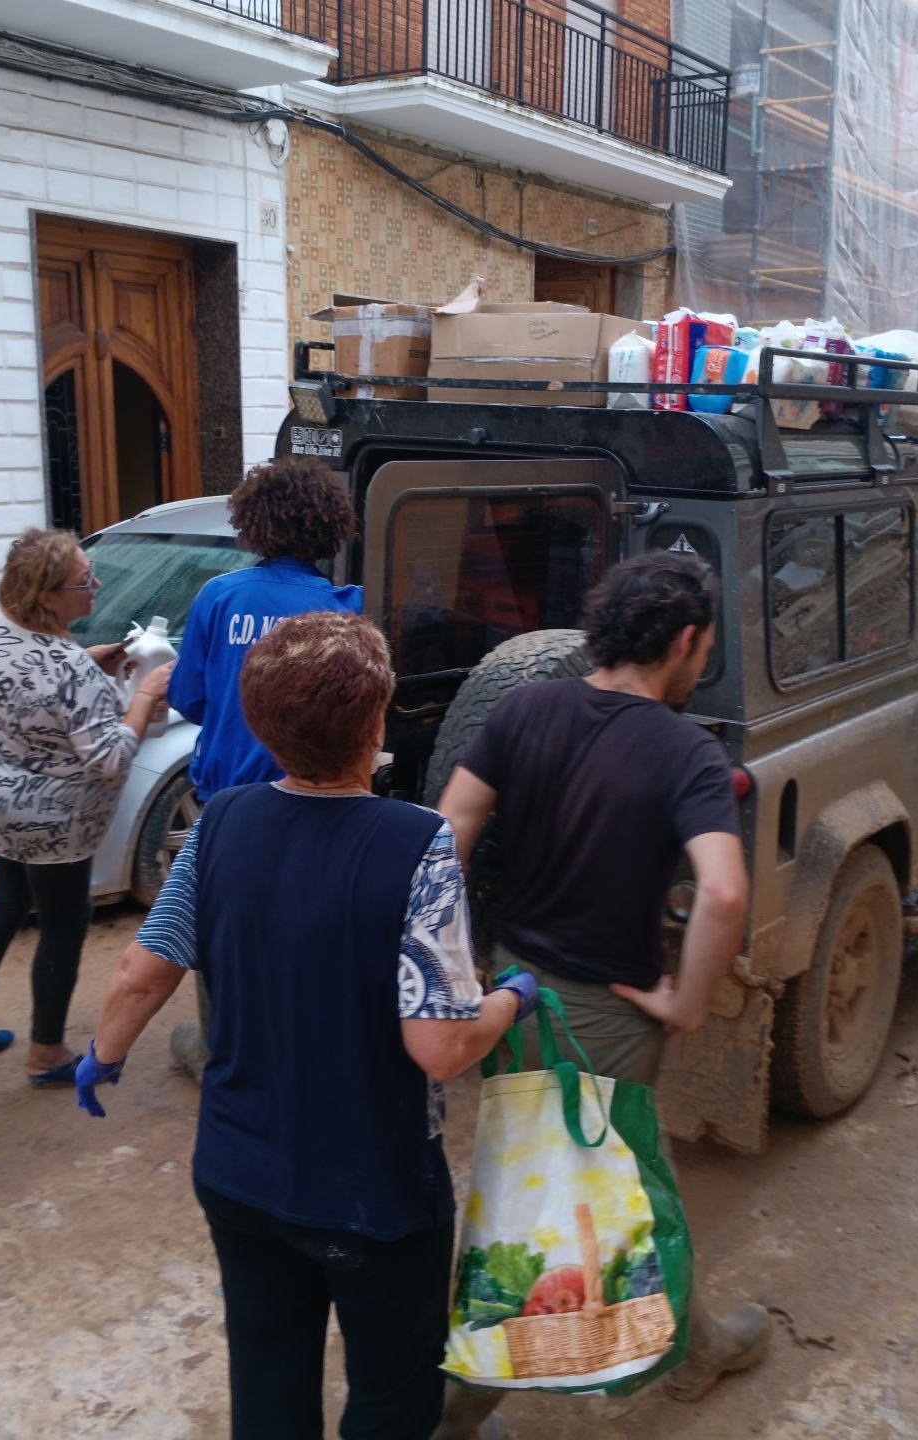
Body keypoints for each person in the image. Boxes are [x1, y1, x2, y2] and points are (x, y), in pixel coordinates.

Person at [77, 610, 534, 1439]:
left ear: (260, 723)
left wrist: (102, 1057)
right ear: (375, 723)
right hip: (373, 1194)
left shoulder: (221, 824)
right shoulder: (419, 843)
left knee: (269, 1379)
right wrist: (510, 999)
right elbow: (437, 1045)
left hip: (238, 1173)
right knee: (393, 1397)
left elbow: (142, 971)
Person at [433, 551, 771, 1438]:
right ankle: (458, 1408)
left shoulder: (526, 706)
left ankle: (696, 1345)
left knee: (599, 1182)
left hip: (513, 986)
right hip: (604, 1021)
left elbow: (449, 827)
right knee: (569, 1202)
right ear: (686, 640)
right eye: (704, 651)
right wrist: (687, 1004)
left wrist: (454, 960)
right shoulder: (686, 752)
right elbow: (725, 893)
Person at [0, 528, 172, 1088]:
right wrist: (141, 697)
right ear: (47, 596)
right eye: (82, 582)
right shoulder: (65, 669)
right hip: (54, 824)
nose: (95, 587)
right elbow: (111, 757)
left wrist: (89, 663)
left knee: (7, 897)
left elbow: (29, 686)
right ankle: (46, 1052)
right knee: (65, 924)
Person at [164, 455, 361, 1072]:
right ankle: (294, 1047)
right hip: (310, 797)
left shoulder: (219, 597)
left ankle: (218, 1047)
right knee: (298, 929)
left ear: (253, 524)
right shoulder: (340, 611)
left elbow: (189, 697)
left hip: (225, 806)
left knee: (221, 928)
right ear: (329, 528)